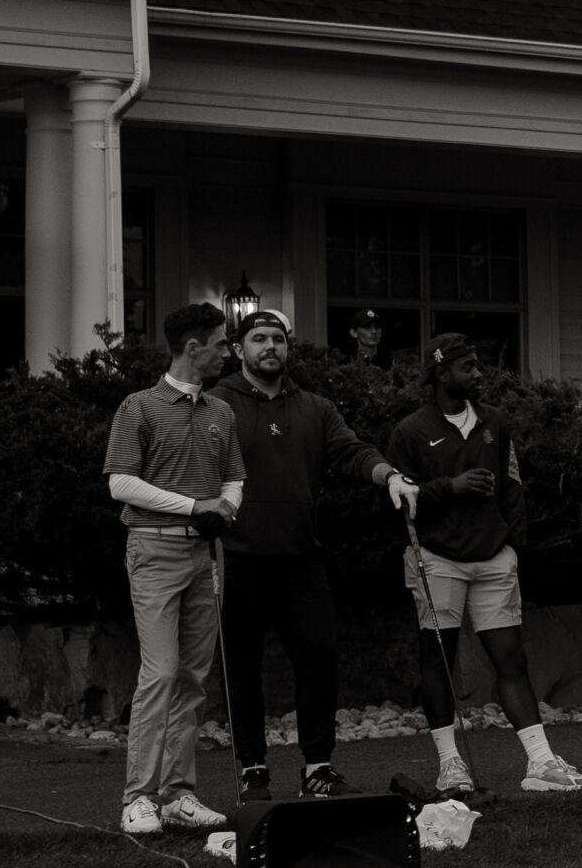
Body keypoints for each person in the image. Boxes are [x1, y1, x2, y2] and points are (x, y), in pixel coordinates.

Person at [211, 304, 414, 802]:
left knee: (319, 659)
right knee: (242, 668)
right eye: (259, 339)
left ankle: (318, 769)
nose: (270, 348)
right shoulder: (219, 404)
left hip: (300, 559)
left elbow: (353, 452)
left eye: (277, 340)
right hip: (236, 558)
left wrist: (389, 475)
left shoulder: (314, 408)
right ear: (239, 349)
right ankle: (252, 770)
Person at [386, 335, 582, 794]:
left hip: (494, 559)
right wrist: (451, 487)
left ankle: (540, 763)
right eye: (468, 367)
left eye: (478, 366)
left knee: (512, 660)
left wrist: (512, 541)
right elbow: (400, 500)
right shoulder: (411, 431)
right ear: (442, 374)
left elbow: (512, 483)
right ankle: (450, 765)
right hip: (437, 560)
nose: (478, 374)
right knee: (439, 661)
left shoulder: (494, 422)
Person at [105, 302, 245, 837]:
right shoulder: (138, 407)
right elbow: (120, 482)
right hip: (154, 551)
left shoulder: (221, 412)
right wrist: (195, 507)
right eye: (220, 344)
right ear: (194, 348)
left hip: (205, 552)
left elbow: (234, 475)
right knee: (160, 673)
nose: (226, 353)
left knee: (191, 678)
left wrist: (226, 505)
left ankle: (178, 795)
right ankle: (137, 798)